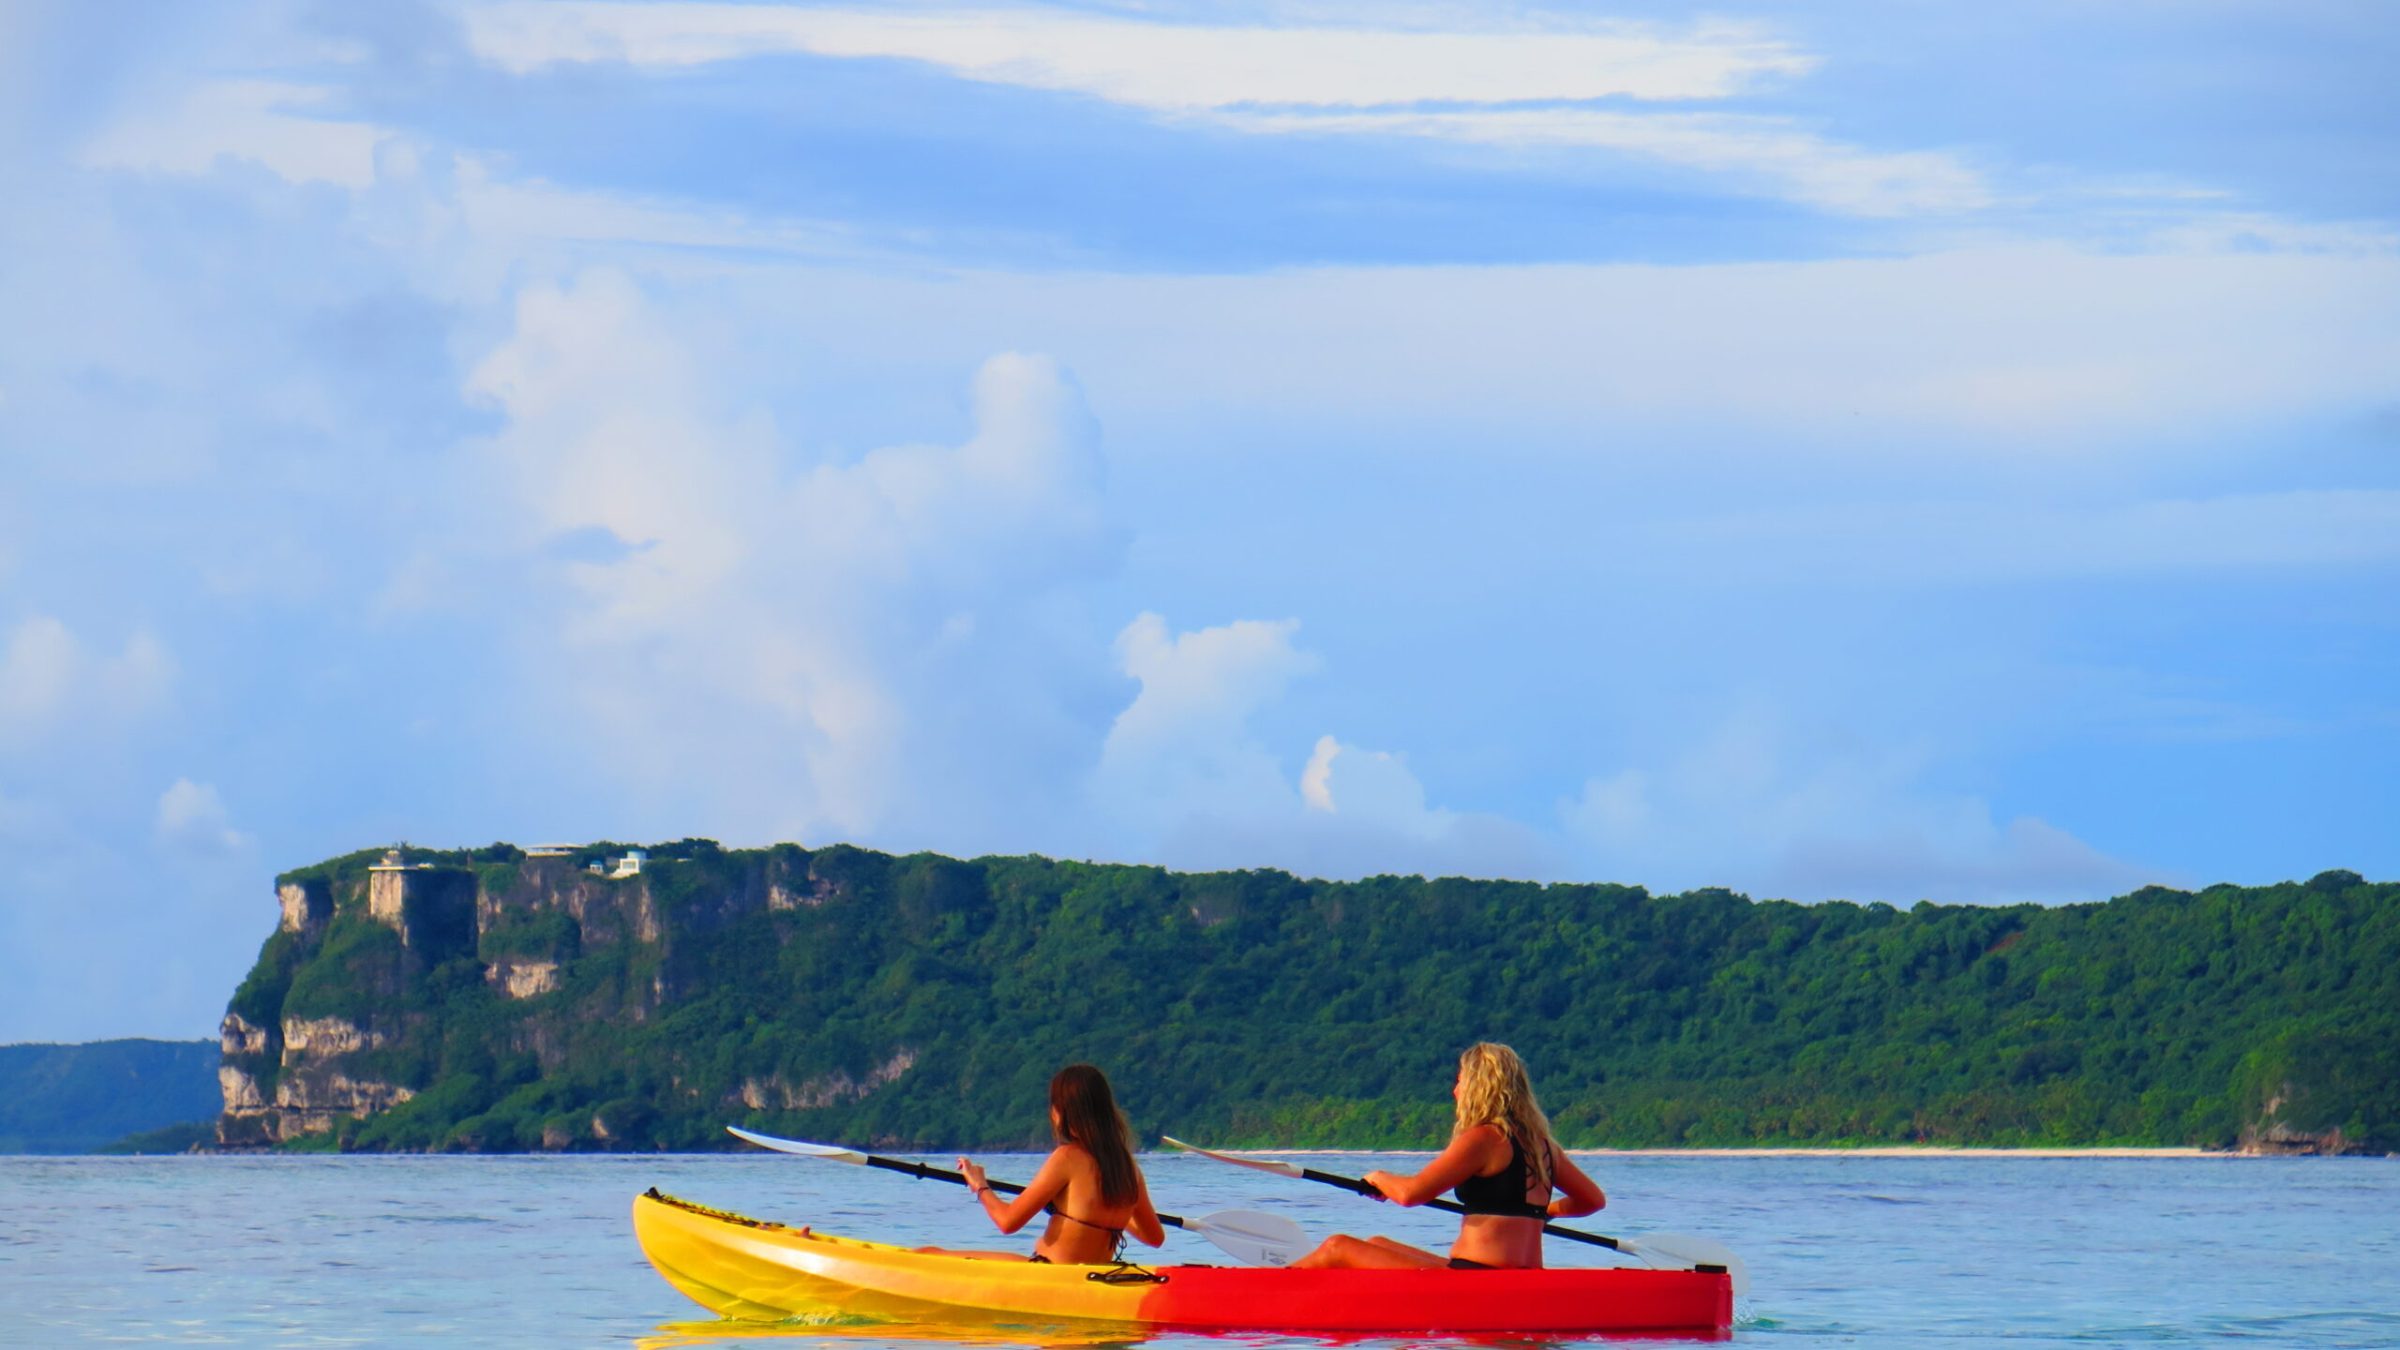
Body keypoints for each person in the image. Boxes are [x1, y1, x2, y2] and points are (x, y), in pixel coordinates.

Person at [1291, 1042, 1606, 1270]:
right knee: (1376, 1243)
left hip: (1476, 1279)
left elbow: (1411, 1194)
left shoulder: (1483, 1138)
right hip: (1516, 1278)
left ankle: (1265, 1293)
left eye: (1460, 1081)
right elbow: (1592, 1200)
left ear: (1478, 1088)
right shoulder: (1543, 1146)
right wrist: (1537, 1210)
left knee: (1337, 1246)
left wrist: (1378, 1178)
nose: (1455, 1091)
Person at [946, 1063, 1167, 1264]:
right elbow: (1155, 1237)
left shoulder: (1067, 1158)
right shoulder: (1128, 1167)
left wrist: (980, 1186)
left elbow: (1007, 1222)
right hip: (1094, 1276)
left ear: (1061, 1113)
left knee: (929, 1253)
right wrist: (1112, 1209)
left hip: (1050, 1273)